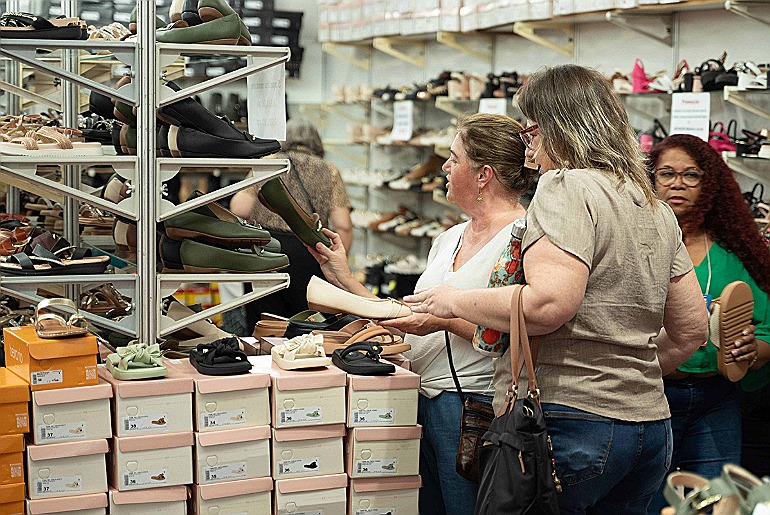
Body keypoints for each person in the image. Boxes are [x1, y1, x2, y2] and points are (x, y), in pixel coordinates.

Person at [404, 64, 709, 514]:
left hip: (571, 422)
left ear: (559, 127)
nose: (528, 147)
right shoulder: (651, 205)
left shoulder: (566, 186)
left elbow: (549, 304)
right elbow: (692, 330)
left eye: (531, 130)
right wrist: (626, 376)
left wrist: (454, 301)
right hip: (648, 426)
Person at [308, 113, 537, 515]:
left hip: (473, 407)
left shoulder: (523, 238)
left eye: (454, 158)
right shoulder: (448, 238)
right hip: (418, 397)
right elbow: (409, 317)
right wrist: (343, 277)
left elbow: (517, 330)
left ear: (483, 175)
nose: (444, 167)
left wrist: (443, 321)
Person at [646, 134, 769, 513]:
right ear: (650, 178)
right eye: (667, 174)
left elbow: (766, 331)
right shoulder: (636, 244)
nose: (678, 184)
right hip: (650, 396)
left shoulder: (736, 252)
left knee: (718, 504)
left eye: (691, 175)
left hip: (717, 399)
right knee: (649, 503)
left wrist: (752, 350)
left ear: (709, 183)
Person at [230, 118, 353, 326]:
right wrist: (338, 264)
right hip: (310, 253)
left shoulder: (269, 163)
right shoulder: (329, 170)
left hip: (265, 250)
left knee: (265, 323)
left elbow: (239, 208)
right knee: (307, 323)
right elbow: (343, 225)